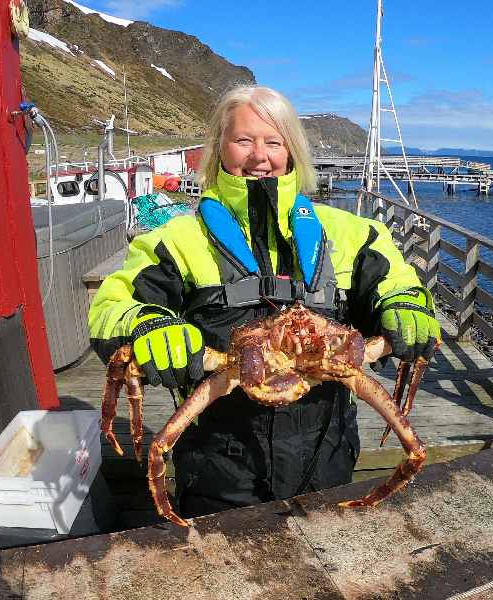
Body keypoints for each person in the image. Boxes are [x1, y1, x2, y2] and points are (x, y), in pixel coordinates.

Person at [88, 85, 441, 519]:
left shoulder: (351, 232)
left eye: (273, 142)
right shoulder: (176, 241)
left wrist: (406, 304)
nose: (260, 156)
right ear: (219, 149)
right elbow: (111, 306)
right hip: (218, 464)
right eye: (243, 140)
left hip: (327, 453)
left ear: (291, 151)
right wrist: (148, 324)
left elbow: (398, 282)